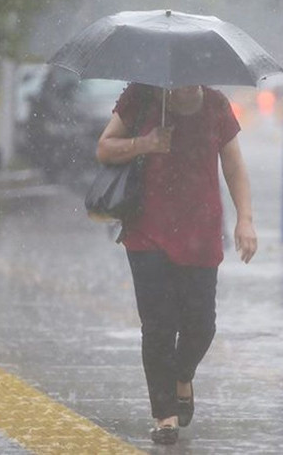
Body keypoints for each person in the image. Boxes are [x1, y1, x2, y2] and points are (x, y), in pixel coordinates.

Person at [96, 82, 257, 445]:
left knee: (202, 325)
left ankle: (182, 376)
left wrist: (244, 218)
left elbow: (233, 165)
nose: (185, 84)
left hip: (200, 230)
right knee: (158, 326)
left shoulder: (216, 105)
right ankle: (164, 414)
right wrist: (146, 143)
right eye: (179, 77)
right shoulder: (141, 97)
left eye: (193, 76)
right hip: (147, 229)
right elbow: (104, 148)